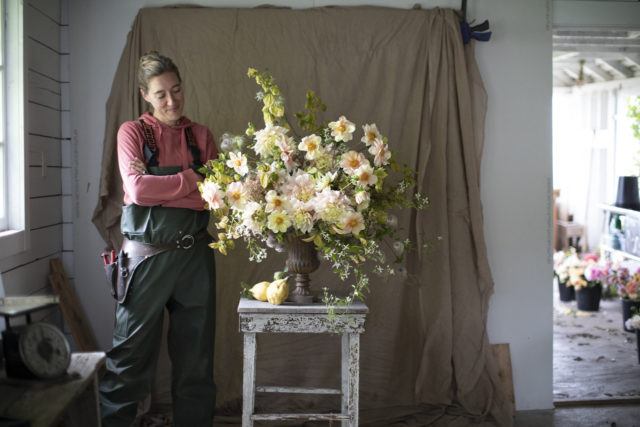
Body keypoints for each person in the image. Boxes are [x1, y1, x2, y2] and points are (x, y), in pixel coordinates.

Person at [99, 51, 218, 427]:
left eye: (177, 90)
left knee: (196, 362)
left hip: (195, 257)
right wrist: (192, 179)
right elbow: (137, 190)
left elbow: (217, 194)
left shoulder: (201, 136)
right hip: (145, 260)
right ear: (145, 95)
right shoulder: (132, 133)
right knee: (128, 360)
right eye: (161, 93)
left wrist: (162, 186)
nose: (171, 100)